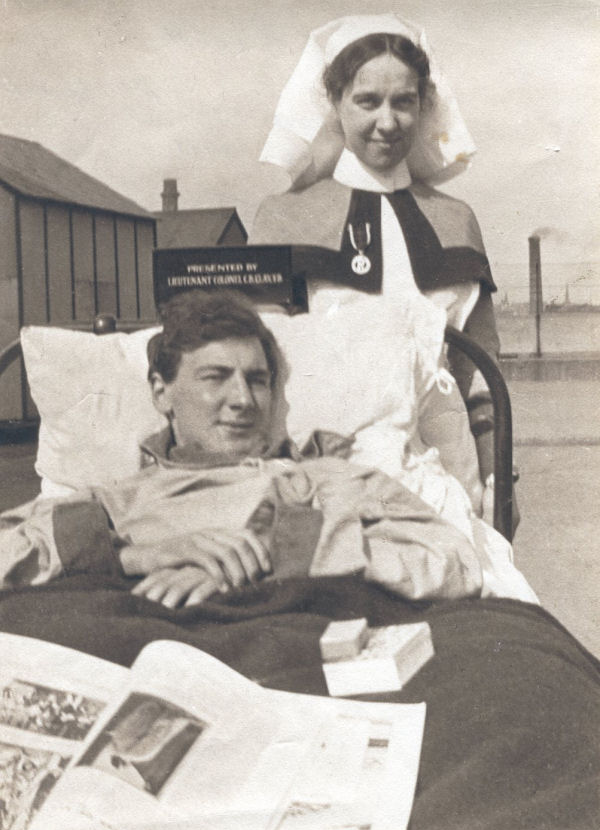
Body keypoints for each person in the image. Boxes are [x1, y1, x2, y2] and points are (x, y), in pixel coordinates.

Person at [0, 291, 536, 608]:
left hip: (292, 643)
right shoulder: (117, 499)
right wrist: (134, 556)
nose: (242, 400)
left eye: (257, 380)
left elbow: (455, 561)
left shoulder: (332, 479)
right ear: (161, 392)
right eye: (216, 377)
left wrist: (276, 556)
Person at [251, 13, 508, 523]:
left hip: (448, 471)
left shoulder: (456, 220)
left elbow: (481, 374)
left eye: (403, 102)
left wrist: (501, 479)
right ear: (335, 102)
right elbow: (258, 365)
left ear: (424, 105)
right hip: (325, 471)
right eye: (367, 101)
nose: (387, 123)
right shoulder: (282, 218)